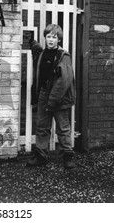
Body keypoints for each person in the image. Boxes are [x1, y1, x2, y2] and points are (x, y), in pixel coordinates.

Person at [26, 24, 76, 169]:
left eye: (54, 37)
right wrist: (30, 40)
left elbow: (64, 80)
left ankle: (68, 156)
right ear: (45, 38)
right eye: (48, 37)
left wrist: (52, 101)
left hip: (59, 98)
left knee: (63, 128)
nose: (51, 40)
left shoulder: (63, 56)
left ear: (59, 39)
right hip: (43, 96)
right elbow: (36, 49)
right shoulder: (42, 54)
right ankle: (41, 156)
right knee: (42, 127)